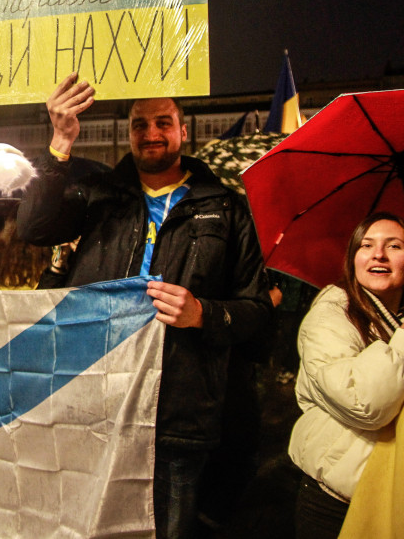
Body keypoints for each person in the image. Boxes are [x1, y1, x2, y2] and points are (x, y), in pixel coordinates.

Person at [16, 73, 272, 539]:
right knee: (82, 524)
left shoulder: (225, 207)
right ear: (129, 131)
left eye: (163, 122)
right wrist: (59, 142)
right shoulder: (98, 192)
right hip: (95, 397)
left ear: (183, 131)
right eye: (139, 124)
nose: (151, 134)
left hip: (179, 406)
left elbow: (256, 309)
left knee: (168, 528)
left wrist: (203, 314)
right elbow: (33, 227)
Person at [288, 212, 404, 539]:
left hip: (402, 499)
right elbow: (365, 403)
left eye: (394, 246)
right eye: (367, 245)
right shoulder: (330, 317)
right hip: (338, 502)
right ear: (353, 259)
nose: (379, 254)